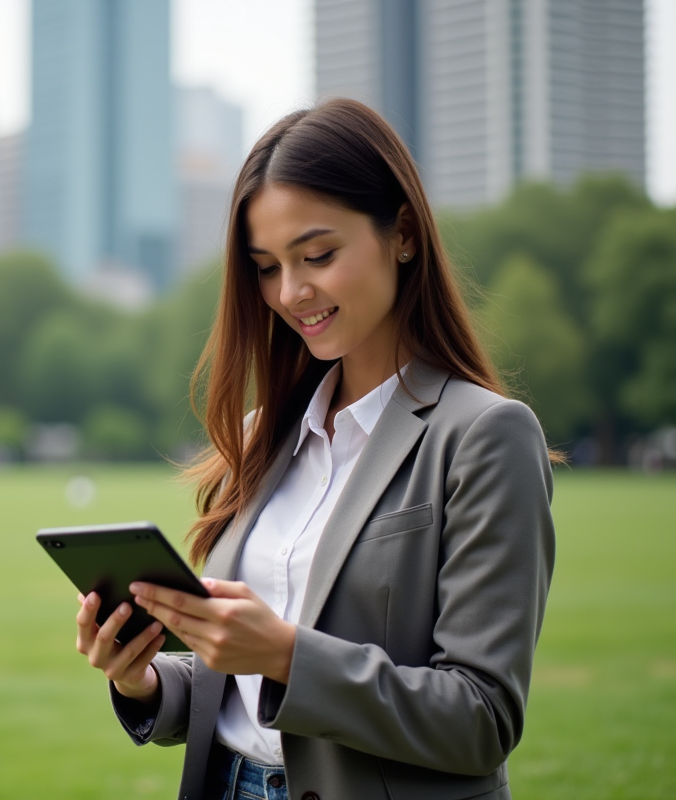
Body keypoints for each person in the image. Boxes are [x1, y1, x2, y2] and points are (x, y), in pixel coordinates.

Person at [74, 98, 556, 800]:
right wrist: (141, 676)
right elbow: (231, 693)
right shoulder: (262, 433)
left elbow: (481, 717)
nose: (291, 292)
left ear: (404, 235)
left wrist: (285, 653)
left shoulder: (485, 436)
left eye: (318, 255)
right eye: (266, 266)